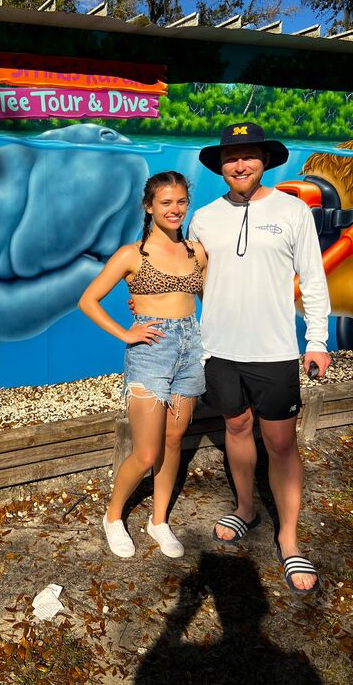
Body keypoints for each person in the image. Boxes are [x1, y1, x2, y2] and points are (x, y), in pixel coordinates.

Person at [188, 122, 331, 595]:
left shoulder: (293, 212)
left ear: (264, 160)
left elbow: (313, 280)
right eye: (232, 157)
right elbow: (190, 279)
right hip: (219, 350)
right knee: (235, 427)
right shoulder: (204, 217)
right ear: (221, 166)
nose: (240, 164)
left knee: (283, 444)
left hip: (273, 352)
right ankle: (247, 507)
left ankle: (288, 540)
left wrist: (317, 340)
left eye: (249, 155)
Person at [79, 171, 207, 559]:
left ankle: (158, 521)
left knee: (173, 442)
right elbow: (88, 300)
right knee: (147, 452)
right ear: (149, 206)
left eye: (181, 201)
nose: (175, 209)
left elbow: (212, 298)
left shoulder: (196, 252)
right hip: (151, 353)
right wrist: (126, 333)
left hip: (190, 349)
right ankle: (113, 516)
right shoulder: (131, 254)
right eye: (166, 202)